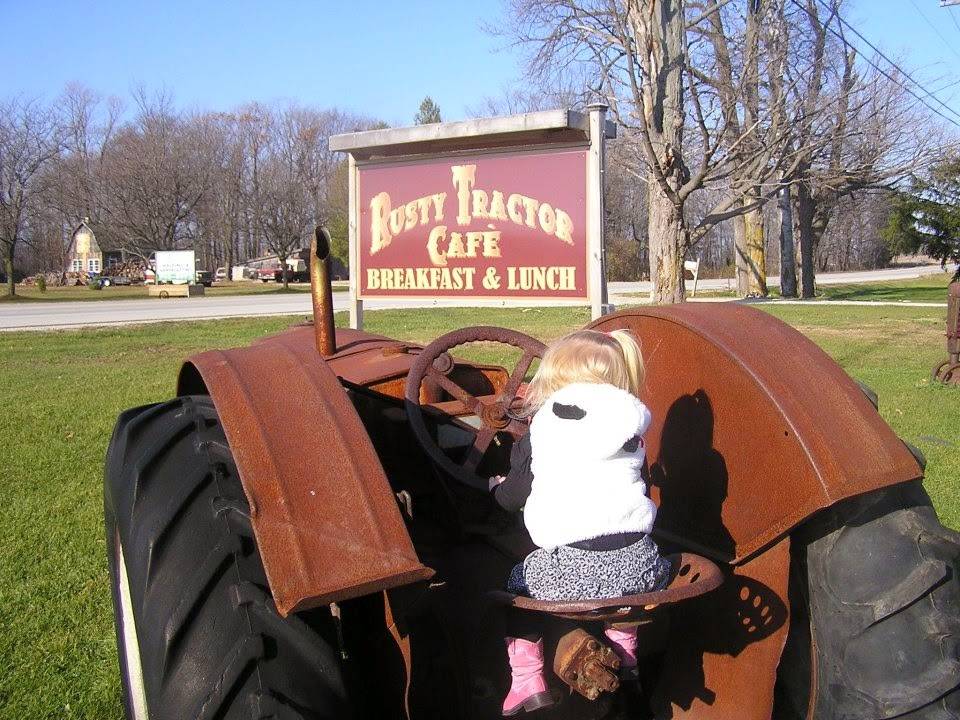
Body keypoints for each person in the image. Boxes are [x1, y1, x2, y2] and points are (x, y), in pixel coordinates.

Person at [490, 329, 671, 716]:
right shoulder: (633, 430)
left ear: (555, 377)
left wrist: (494, 489)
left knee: (517, 589)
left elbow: (511, 499)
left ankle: (527, 683)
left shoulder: (543, 428)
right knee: (624, 590)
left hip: (573, 571)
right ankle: (626, 655)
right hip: (643, 567)